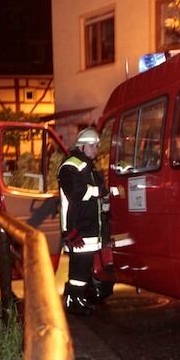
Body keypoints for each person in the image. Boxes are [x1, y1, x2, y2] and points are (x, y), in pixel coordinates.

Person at [59, 127, 104, 315]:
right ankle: (73, 300)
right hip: (77, 226)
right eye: (92, 146)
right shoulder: (71, 166)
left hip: (88, 226)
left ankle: (78, 298)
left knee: (83, 267)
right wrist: (98, 191)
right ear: (82, 146)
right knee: (79, 268)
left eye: (96, 146)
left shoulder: (87, 165)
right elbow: (76, 193)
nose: (95, 150)